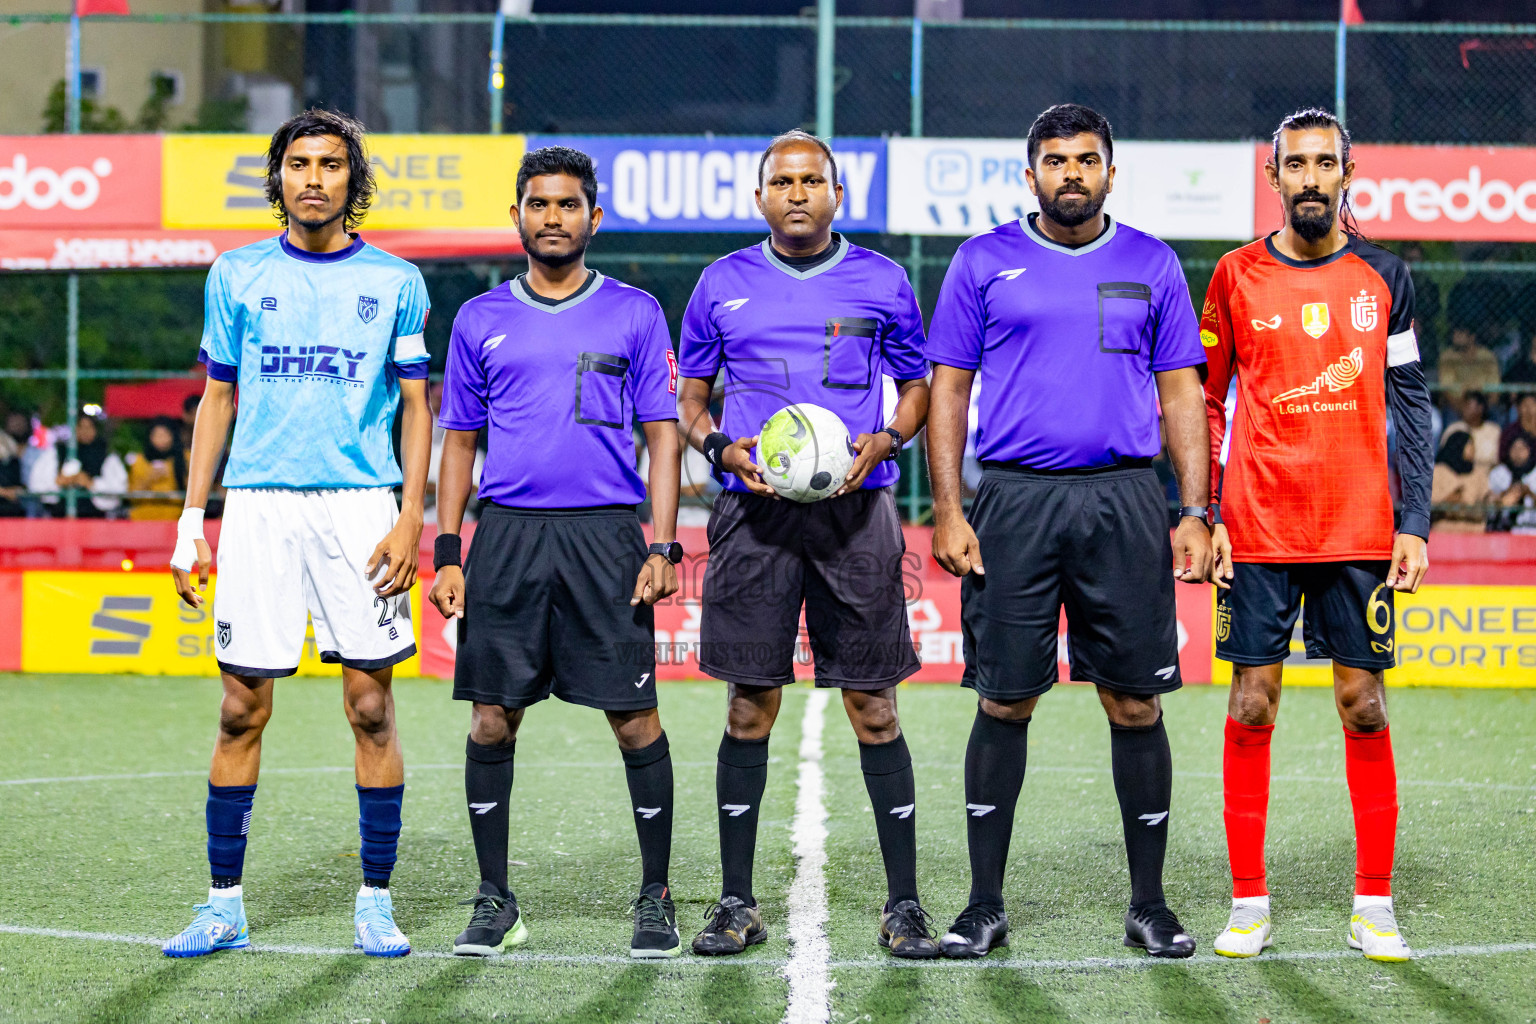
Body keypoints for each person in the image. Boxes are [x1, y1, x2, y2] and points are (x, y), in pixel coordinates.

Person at [926, 103, 1212, 961]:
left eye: (1088, 160)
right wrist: (948, 507)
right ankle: (983, 905)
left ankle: (1150, 905)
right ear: (1032, 176)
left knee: (1134, 700)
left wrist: (1196, 512)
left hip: (1125, 500)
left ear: (1112, 172)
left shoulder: (1153, 263)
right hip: (1013, 500)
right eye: (1056, 161)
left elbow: (1183, 397)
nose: (1073, 174)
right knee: (1005, 698)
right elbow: (946, 389)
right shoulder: (983, 262)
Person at [162, 109, 433, 959]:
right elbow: (218, 398)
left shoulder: (395, 281)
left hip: (360, 506)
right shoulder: (235, 275)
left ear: (354, 181)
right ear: (277, 178)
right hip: (259, 505)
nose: (313, 177)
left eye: (330, 164)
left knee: (370, 707)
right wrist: (189, 520)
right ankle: (222, 903)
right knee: (241, 708)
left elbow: (418, 406)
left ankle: (376, 899)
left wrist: (408, 515)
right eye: (298, 163)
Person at [677, 130, 937, 959]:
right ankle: (735, 902)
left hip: (856, 514)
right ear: (761, 198)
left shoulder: (884, 281)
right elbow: (690, 400)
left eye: (812, 180)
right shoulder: (722, 283)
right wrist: (721, 449)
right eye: (782, 181)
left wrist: (887, 441)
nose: (797, 193)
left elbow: (919, 387)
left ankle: (904, 905)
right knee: (749, 705)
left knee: (873, 706)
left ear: (835, 193)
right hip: (754, 515)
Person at [428, 146, 685, 959]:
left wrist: (663, 542)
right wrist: (447, 551)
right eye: (538, 204)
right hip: (505, 536)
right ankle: (495, 899)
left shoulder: (637, 312)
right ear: (517, 216)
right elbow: (458, 444)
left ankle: (655, 895)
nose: (552, 218)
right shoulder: (478, 319)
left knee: (634, 718)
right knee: (492, 718)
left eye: (568, 205)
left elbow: (664, 436)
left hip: (607, 537)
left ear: (593, 218)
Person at [1202, 108, 1434, 963]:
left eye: (1323, 164)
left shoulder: (1386, 276)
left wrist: (1413, 521)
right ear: (1274, 177)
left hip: (1360, 528)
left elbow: (1410, 401)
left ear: (1347, 174)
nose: (1309, 178)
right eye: (1294, 164)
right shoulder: (1233, 276)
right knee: (1251, 701)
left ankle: (1373, 903)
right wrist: (1206, 512)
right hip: (1259, 527)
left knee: (1363, 706)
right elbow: (1209, 402)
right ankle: (1248, 901)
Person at [29, 410, 127, 518]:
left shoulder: (107, 455)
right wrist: (58, 482)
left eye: (89, 427)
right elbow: (36, 486)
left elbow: (118, 491)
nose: (84, 431)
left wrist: (91, 483)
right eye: (80, 426)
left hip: (94, 520)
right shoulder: (57, 452)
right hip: (59, 518)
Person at [1431, 392, 1497, 508]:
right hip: (1445, 524)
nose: (1473, 449)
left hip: (1474, 524)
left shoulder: (1478, 474)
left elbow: (1488, 500)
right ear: (1458, 446)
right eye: (1470, 445)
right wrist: (1450, 499)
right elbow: (1429, 506)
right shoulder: (1438, 472)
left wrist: (1496, 500)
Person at [126, 416, 187, 520]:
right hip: (143, 517)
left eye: (164, 435)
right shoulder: (139, 461)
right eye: (156, 435)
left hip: (176, 516)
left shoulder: (185, 458)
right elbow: (132, 497)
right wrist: (149, 479)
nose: (160, 440)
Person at [1436, 326, 1500, 401]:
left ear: (1472, 337)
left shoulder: (1487, 357)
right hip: (1457, 403)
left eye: (1460, 333)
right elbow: (1446, 389)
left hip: (1483, 402)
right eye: (1454, 333)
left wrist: (1484, 407)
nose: (1455, 336)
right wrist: (1463, 409)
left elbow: (1494, 388)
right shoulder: (1447, 357)